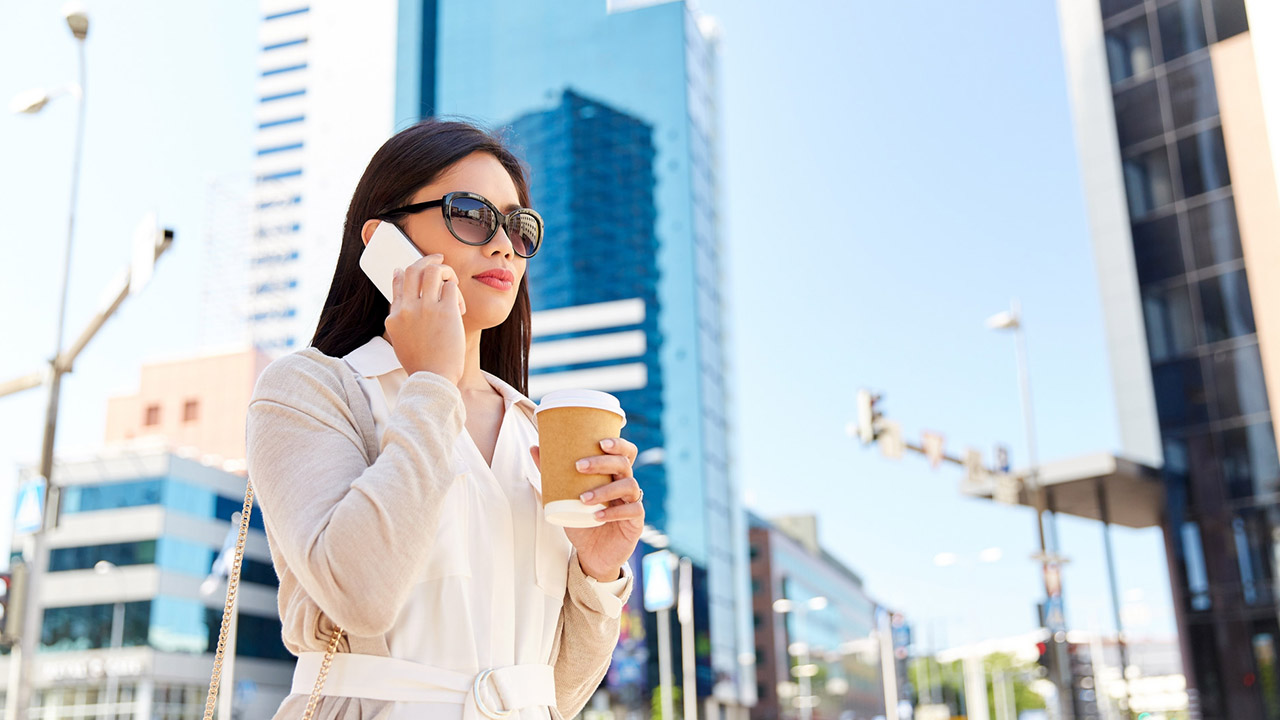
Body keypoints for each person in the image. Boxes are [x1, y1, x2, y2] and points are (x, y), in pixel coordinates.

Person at [245, 119, 645, 719]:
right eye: (473, 213)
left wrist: (598, 567)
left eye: (518, 226)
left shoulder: (538, 429)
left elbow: (555, 695)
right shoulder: (313, 388)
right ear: (384, 241)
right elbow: (360, 593)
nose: (504, 244)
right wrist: (432, 383)